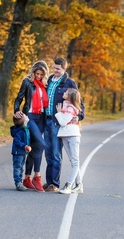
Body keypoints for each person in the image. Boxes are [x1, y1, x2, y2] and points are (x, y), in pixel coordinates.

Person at [43, 57, 84, 192]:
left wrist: (79, 116)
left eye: (58, 69)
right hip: (47, 119)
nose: (55, 70)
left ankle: (54, 183)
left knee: (55, 152)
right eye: (54, 68)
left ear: (64, 69)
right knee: (48, 152)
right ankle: (49, 181)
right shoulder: (49, 80)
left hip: (57, 122)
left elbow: (78, 102)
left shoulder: (69, 83)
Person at [13, 60, 49, 192]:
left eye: (41, 74)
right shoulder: (27, 82)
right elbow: (19, 98)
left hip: (42, 118)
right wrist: (17, 110)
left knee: (35, 147)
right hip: (30, 116)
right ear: (33, 72)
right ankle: (37, 176)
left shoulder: (46, 84)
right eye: (36, 73)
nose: (38, 76)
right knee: (41, 143)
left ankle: (27, 178)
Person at [55, 88, 83, 194]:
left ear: (70, 96)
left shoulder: (71, 108)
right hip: (65, 135)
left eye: (66, 92)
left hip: (72, 135)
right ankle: (79, 184)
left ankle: (68, 185)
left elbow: (62, 122)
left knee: (75, 161)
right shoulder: (65, 106)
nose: (64, 93)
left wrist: (58, 113)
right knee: (73, 161)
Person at [10, 112, 32, 191]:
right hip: (18, 152)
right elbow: (17, 141)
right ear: (24, 122)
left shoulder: (25, 128)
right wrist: (25, 146)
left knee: (21, 167)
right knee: (17, 167)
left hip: (22, 152)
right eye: (26, 116)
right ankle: (18, 183)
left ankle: (19, 182)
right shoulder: (19, 131)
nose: (27, 116)